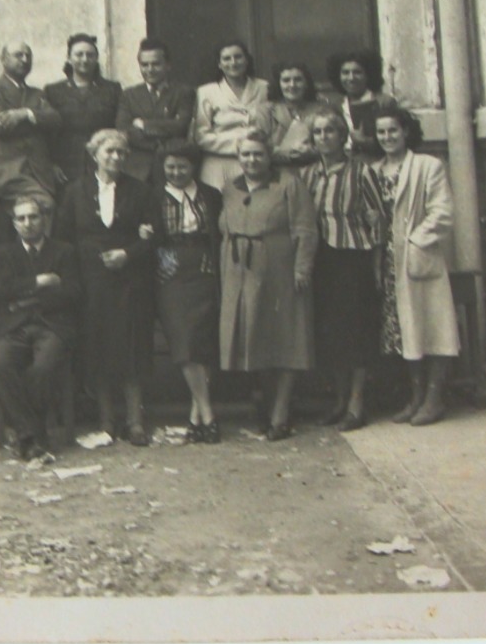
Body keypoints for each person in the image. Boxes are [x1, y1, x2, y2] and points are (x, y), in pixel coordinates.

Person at [54, 128, 156, 445]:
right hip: (91, 282)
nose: (115, 157)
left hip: (130, 280)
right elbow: (63, 238)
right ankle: (107, 420)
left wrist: (128, 254)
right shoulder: (75, 191)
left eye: (121, 152)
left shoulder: (140, 191)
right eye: (109, 151)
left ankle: (135, 421)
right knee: (98, 347)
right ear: (94, 154)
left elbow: (153, 238)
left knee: (131, 348)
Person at [218, 128, 317, 441]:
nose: (251, 160)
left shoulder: (288, 184)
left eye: (258, 154)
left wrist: (301, 269)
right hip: (240, 271)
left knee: (285, 337)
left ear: (269, 155)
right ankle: (263, 401)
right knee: (253, 335)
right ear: (238, 157)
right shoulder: (231, 187)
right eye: (245, 154)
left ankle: (281, 411)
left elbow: (305, 229)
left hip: (278, 268)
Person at [372, 104, 460, 426]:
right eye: (381, 132)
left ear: (406, 131)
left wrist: (414, 240)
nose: (387, 137)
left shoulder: (427, 166)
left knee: (433, 326)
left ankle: (434, 399)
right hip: (388, 262)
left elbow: (443, 213)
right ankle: (415, 397)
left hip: (417, 257)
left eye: (393, 130)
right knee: (405, 332)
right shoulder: (375, 170)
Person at [306, 108, 386, 431]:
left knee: (354, 331)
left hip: (352, 257)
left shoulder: (360, 171)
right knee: (329, 333)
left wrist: (378, 264)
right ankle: (338, 401)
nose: (324, 137)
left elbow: (377, 218)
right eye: (318, 132)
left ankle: (356, 403)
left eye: (330, 131)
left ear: (342, 136)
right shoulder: (309, 174)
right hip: (319, 257)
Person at [0, 196, 80, 461]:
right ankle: (33, 434)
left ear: (45, 220)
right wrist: (41, 281)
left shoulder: (64, 252)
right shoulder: (4, 254)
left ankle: (27, 435)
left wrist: (25, 296)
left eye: (33, 217)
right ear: (14, 224)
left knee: (43, 368)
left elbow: (73, 292)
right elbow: (1, 291)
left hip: (53, 325)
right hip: (15, 326)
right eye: (21, 218)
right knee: (0, 364)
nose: (28, 223)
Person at [153, 140, 224, 442]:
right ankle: (207, 413)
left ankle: (197, 416)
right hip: (170, 272)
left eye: (182, 166)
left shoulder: (211, 195)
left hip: (205, 268)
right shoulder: (153, 197)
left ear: (194, 167)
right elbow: (148, 235)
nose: (176, 172)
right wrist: (159, 256)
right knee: (184, 341)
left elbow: (219, 233)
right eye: (170, 166)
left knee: (203, 340)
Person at [0, 41, 63, 220]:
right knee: (44, 206)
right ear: (3, 59)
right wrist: (37, 121)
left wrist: (24, 114)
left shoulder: (37, 94)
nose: (24, 60)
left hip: (38, 170)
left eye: (28, 56)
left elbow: (55, 120)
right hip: (5, 172)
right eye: (18, 55)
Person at [43, 33, 123, 184]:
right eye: (79, 55)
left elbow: (118, 127)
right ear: (69, 58)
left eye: (90, 55)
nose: (85, 60)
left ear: (96, 58)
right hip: (65, 165)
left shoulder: (112, 89)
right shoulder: (53, 91)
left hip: (103, 163)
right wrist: (51, 164)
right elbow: (46, 134)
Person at [193, 39, 271, 191]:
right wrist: (239, 143)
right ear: (219, 64)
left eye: (238, 57)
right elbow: (201, 136)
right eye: (227, 59)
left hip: (255, 160)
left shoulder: (264, 88)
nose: (233, 63)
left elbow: (272, 126)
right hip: (218, 163)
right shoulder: (206, 92)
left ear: (247, 60)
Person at [116, 37, 194, 183]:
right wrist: (163, 134)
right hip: (138, 168)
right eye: (144, 65)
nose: (150, 70)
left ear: (168, 65)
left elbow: (181, 126)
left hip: (173, 168)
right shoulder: (129, 95)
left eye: (156, 64)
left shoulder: (183, 92)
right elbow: (124, 130)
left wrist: (143, 125)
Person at [326, 50, 395, 158]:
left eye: (357, 72)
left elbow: (395, 142)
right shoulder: (335, 106)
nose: (351, 78)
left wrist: (366, 142)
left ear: (368, 74)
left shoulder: (384, 102)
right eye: (345, 73)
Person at [263, 62, 320, 172]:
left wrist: (311, 152)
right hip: (275, 172)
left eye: (298, 80)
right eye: (286, 80)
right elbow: (259, 147)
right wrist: (290, 153)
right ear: (278, 84)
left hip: (313, 171)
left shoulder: (320, 110)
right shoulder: (266, 111)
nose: (292, 85)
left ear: (306, 83)